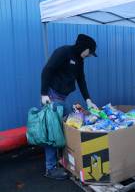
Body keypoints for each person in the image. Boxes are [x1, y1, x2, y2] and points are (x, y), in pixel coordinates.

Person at [41, 34, 99, 180]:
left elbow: (81, 79)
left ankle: (63, 158)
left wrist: (88, 99)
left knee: (69, 127)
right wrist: (43, 94)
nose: (90, 55)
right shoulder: (64, 52)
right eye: (90, 52)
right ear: (85, 48)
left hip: (63, 98)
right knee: (52, 133)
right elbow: (47, 69)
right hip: (52, 97)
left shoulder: (79, 60)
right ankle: (50, 168)